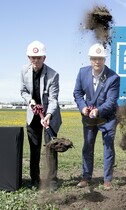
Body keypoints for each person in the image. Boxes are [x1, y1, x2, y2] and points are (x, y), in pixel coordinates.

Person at [73, 43, 120, 189]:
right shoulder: (82, 73)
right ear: (90, 59)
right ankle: (86, 177)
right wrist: (83, 108)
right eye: (94, 58)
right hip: (89, 117)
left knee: (108, 146)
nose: (97, 62)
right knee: (87, 145)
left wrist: (98, 111)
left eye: (100, 58)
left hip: (108, 117)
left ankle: (107, 179)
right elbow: (78, 93)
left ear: (104, 59)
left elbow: (111, 101)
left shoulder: (113, 77)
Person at [20, 40, 62, 191]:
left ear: (44, 58)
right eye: (33, 57)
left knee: (51, 149)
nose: (36, 60)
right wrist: (30, 101)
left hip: (49, 117)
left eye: (39, 58)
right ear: (29, 58)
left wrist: (48, 115)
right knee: (34, 148)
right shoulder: (24, 71)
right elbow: (23, 91)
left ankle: (52, 181)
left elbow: (53, 99)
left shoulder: (53, 75)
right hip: (32, 117)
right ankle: (35, 179)